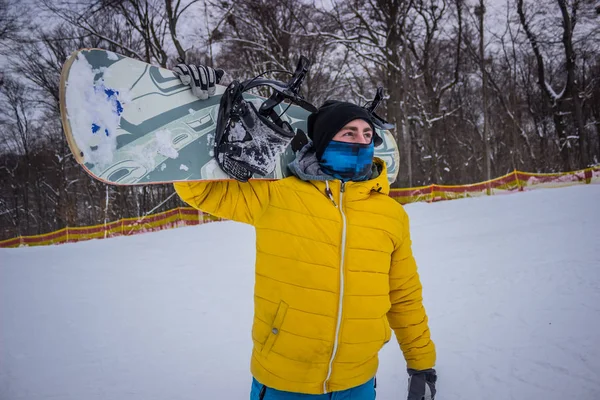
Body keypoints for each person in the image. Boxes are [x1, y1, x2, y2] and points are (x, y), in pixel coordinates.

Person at [172, 64, 437, 400]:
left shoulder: (389, 214)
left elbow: (404, 296)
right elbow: (201, 192)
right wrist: (198, 110)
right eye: (349, 134)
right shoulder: (278, 196)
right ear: (324, 142)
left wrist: (421, 363)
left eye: (367, 135)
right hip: (284, 379)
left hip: (357, 381)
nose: (360, 141)